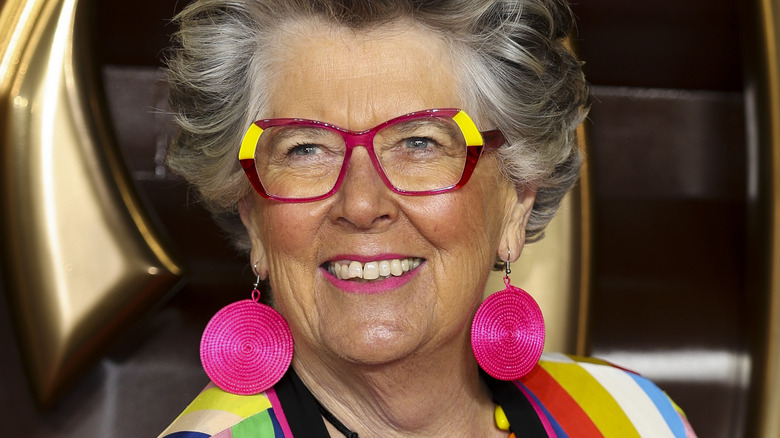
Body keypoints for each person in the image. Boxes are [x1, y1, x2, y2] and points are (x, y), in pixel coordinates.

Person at [158, 0, 697, 436]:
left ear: (517, 199)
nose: (362, 205)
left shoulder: (632, 417)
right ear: (253, 215)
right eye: (305, 149)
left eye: (419, 143)